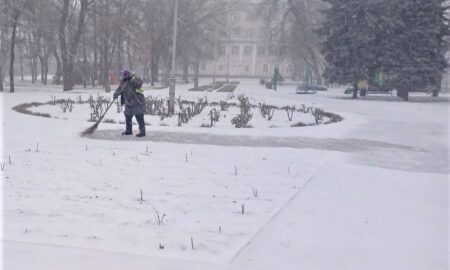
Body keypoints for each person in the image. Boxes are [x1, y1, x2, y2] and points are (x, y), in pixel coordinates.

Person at [113, 70, 146, 137]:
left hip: (137, 101)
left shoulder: (133, 79)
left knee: (139, 117)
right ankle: (129, 130)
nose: (124, 76)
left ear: (128, 74)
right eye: (123, 75)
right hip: (128, 102)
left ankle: (142, 132)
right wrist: (116, 94)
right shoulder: (123, 82)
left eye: (125, 75)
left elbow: (139, 84)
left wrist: (133, 81)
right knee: (128, 116)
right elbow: (119, 89)